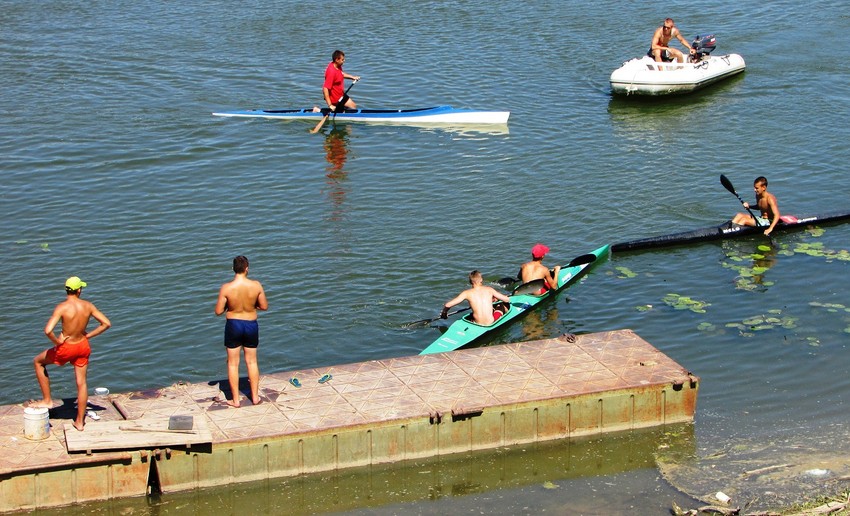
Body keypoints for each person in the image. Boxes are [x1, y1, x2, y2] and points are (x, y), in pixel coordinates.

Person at [32, 276, 111, 431]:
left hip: (67, 347)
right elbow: (106, 324)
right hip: (82, 346)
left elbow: (48, 330)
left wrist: (57, 342)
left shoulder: (62, 307)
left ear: (67, 290)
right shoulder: (88, 306)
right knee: (81, 384)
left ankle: (47, 400)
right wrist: (88, 335)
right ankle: (80, 422)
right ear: (79, 290)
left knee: (38, 362)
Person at [215, 256, 268, 407]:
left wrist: (230, 307)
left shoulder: (227, 288)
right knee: (251, 361)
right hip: (251, 324)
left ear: (233, 269)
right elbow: (264, 306)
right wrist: (252, 306)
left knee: (233, 363)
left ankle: (236, 400)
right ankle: (256, 397)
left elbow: (218, 311)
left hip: (234, 324)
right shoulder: (256, 285)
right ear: (247, 268)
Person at [440, 270, 512, 326]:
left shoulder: (466, 293)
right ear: (481, 280)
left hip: (477, 323)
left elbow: (448, 305)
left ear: (470, 282)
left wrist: (444, 313)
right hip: (490, 323)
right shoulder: (489, 290)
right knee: (500, 305)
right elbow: (507, 299)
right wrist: (498, 299)